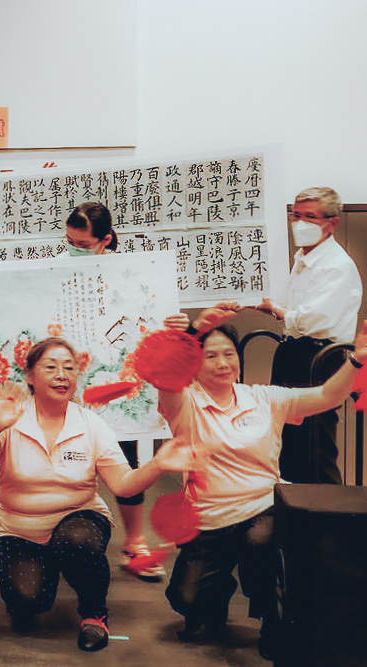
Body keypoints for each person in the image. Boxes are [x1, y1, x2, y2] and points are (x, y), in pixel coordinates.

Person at [0, 337, 193, 652]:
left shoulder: (91, 425)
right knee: (27, 605)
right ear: (29, 377)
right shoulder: (11, 421)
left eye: (69, 368)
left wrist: (159, 464)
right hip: (17, 528)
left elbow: (122, 485)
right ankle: (46, 564)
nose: (61, 375)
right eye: (50, 367)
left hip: (78, 518)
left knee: (76, 540)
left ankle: (94, 613)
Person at [155, 308, 367, 660]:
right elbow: (166, 378)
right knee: (186, 599)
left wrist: (357, 361)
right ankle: (217, 590)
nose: (223, 363)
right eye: (211, 356)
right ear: (195, 362)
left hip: (261, 508)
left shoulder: (264, 398)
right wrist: (192, 331)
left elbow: (327, 396)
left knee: (261, 541)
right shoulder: (185, 404)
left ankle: (273, 619)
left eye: (229, 354)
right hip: (209, 519)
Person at [61, 202, 162, 581]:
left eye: (82, 245)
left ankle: (135, 541)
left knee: (126, 460)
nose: (73, 250)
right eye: (68, 241)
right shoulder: (58, 270)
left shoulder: (133, 275)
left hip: (115, 385)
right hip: (68, 381)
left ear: (106, 240)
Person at [248, 187, 362, 485]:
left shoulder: (337, 265)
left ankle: (327, 522)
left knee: (315, 444)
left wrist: (279, 310)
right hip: (294, 352)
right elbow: (298, 314)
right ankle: (294, 513)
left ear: (332, 222)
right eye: (296, 215)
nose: (300, 223)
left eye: (310, 217)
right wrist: (276, 310)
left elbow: (315, 319)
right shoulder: (303, 257)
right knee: (288, 440)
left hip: (319, 358)